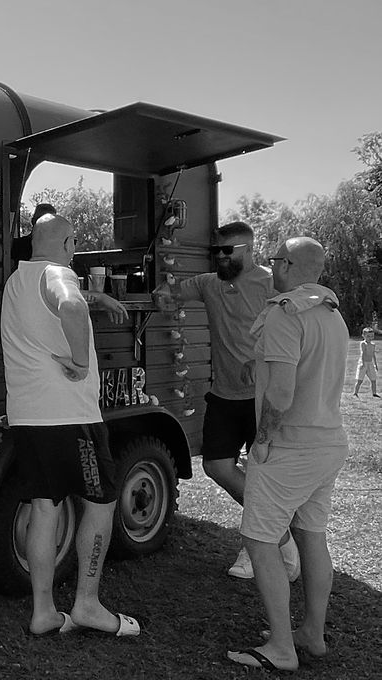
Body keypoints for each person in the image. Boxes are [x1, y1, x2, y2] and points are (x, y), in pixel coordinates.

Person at [0, 211, 138, 637]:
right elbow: (70, 305)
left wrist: (99, 298)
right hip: (71, 419)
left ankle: (44, 613)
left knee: (45, 507)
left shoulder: (16, 281)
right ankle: (87, 605)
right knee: (100, 504)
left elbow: (51, 306)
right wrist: (80, 362)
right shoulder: (61, 274)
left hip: (29, 419)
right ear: (67, 244)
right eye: (75, 244)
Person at [151, 221, 300, 581]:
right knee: (217, 467)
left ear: (248, 250)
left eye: (227, 250)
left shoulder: (270, 283)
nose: (220, 256)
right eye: (215, 251)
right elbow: (170, 292)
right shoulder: (208, 284)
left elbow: (298, 324)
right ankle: (281, 536)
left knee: (264, 476)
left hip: (262, 397)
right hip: (223, 395)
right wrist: (161, 294)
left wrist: (264, 361)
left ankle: (256, 547)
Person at [227, 236, 348, 671]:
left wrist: (260, 442)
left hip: (290, 447)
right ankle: (311, 635)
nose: (271, 266)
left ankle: (281, 647)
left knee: (259, 540)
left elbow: (280, 394)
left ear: (289, 265)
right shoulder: (330, 313)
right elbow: (300, 369)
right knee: (312, 537)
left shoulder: (283, 314)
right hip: (326, 442)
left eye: (276, 259)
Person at [352, 326, 378, 398]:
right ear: (363, 336)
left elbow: (373, 355)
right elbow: (362, 353)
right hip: (363, 363)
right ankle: (355, 392)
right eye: (368, 336)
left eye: (372, 336)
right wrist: (363, 363)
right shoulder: (363, 343)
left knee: (373, 379)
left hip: (370, 363)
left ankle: (374, 393)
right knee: (360, 380)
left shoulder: (373, 345)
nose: (370, 338)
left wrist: (375, 364)